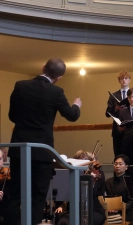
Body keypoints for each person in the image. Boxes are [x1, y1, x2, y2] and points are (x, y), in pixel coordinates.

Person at [6, 58, 82, 225]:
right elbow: (72, 115)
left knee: (15, 192)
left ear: (42, 67)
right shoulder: (56, 92)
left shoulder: (20, 85)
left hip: (20, 149)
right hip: (43, 152)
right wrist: (77, 105)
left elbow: (12, 116)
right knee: (38, 195)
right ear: (59, 77)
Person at [106, 70, 131, 157]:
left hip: (130, 128)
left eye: (126, 78)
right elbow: (107, 113)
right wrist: (115, 108)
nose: (124, 80)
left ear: (129, 80)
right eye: (121, 78)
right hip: (118, 129)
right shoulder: (114, 96)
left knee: (131, 155)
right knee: (118, 155)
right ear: (119, 81)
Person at [105, 154, 133, 222]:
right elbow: (105, 198)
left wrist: (118, 208)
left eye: (120, 164)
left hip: (124, 213)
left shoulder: (130, 181)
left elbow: (130, 203)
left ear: (126, 167)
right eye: (115, 164)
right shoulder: (108, 181)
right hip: (109, 212)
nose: (117, 166)